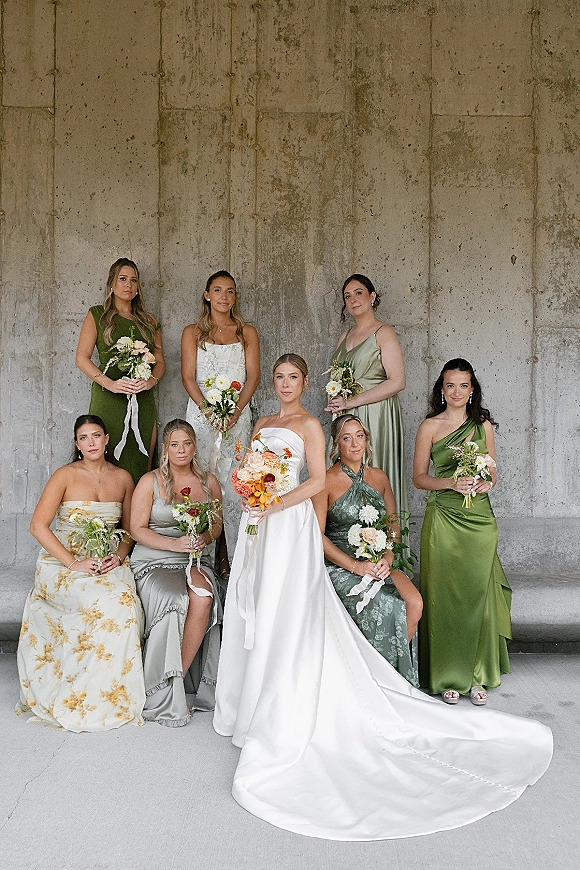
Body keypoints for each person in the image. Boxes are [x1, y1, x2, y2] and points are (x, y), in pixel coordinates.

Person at [214, 354, 552, 841]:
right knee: (256, 607)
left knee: (283, 611)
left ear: (305, 383)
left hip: (284, 521)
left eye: (294, 378)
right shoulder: (265, 422)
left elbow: (309, 484)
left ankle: (291, 697)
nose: (286, 384)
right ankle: (247, 703)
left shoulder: (311, 424)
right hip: (260, 523)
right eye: (279, 377)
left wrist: (272, 503)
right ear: (273, 382)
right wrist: (248, 492)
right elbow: (251, 467)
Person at [16, 415, 145, 732]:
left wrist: (118, 555)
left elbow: (127, 530)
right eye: (84, 438)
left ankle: (112, 692)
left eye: (96, 436)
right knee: (99, 605)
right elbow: (38, 526)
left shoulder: (123, 478)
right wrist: (73, 563)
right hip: (62, 562)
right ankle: (81, 696)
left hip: (105, 560)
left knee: (126, 605)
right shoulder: (64, 475)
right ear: (76, 444)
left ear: (106, 439)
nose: (91, 442)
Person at [413, 358, 512, 706]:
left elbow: (492, 473)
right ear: (442, 388)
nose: (456, 392)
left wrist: (485, 483)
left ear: (472, 390)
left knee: (477, 594)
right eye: (450, 385)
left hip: (480, 520)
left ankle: (477, 674)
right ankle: (447, 674)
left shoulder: (482, 425)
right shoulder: (430, 426)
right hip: (443, 516)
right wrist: (452, 482)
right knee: (444, 595)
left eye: (463, 385)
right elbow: (419, 478)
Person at [313, 414, 422, 685]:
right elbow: (317, 537)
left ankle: (390, 680)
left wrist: (387, 556)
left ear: (367, 440)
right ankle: (368, 684)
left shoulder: (379, 477)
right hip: (340, 564)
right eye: (346, 438)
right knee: (383, 603)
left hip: (378, 560)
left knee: (414, 603)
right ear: (336, 444)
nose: (354, 443)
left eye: (359, 436)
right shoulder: (325, 481)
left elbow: (393, 525)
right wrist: (355, 566)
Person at [130, 419, 223, 726]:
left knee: (203, 595)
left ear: (194, 446)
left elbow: (217, 526)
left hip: (194, 559)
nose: (181, 450)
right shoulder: (150, 481)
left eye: (187, 443)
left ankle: (175, 681)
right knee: (174, 599)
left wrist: (203, 538)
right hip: (153, 560)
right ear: (165, 450)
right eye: (174, 444)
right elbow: (136, 530)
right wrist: (174, 542)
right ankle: (164, 690)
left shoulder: (209, 482)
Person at [182, 270, 259, 581]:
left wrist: (236, 411)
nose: (224, 297)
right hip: (202, 416)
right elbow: (188, 377)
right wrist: (209, 411)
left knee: (234, 480)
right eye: (218, 290)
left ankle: (229, 551)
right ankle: (199, 551)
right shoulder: (192, 333)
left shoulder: (247, 332)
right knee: (202, 479)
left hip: (236, 416)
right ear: (207, 295)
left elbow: (252, 376)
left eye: (230, 291)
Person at [76, 257, 165, 484]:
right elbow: (81, 359)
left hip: (142, 399)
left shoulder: (149, 320)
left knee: (141, 461)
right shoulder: (97, 315)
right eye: (122, 279)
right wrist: (111, 384)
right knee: (105, 460)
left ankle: (136, 518)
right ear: (111, 284)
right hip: (108, 399)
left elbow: (161, 362)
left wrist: (150, 382)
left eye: (133, 280)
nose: (128, 285)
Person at [325, 274, 408, 516]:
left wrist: (352, 401)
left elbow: (398, 381)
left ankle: (382, 542)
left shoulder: (384, 333)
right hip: (346, 418)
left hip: (377, 414)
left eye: (358, 293)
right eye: (347, 296)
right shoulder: (344, 337)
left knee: (374, 471)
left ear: (372, 297)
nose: (353, 299)